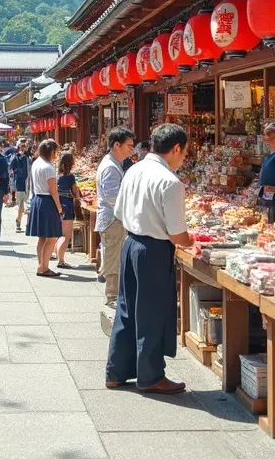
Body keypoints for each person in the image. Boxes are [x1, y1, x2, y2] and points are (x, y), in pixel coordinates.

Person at [106, 123, 192, 394]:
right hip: (153, 250)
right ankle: (150, 375)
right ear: (176, 148)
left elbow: (118, 211)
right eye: (185, 152)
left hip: (130, 243)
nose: (184, 158)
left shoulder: (134, 169)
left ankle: (116, 371)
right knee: (152, 313)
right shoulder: (170, 182)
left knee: (126, 307)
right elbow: (178, 234)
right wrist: (193, 243)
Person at [97, 127, 135, 307]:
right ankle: (112, 295)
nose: (131, 149)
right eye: (129, 145)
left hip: (113, 219)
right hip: (113, 220)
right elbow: (112, 197)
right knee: (113, 257)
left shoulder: (113, 163)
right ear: (116, 145)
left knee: (112, 255)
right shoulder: (111, 167)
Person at [27, 139, 64, 277]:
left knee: (42, 237)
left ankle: (41, 264)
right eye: (55, 152)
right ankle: (43, 267)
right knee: (51, 237)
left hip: (38, 199)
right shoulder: (48, 167)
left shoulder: (36, 163)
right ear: (51, 151)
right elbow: (54, 190)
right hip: (48, 201)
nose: (56, 155)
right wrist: (59, 207)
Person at [54, 151, 81, 269]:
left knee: (59, 234)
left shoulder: (57, 176)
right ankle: (61, 259)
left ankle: (58, 256)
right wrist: (79, 198)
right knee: (66, 235)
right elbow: (75, 191)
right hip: (67, 206)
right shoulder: (70, 177)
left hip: (58, 205)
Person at [11, 140, 32, 233]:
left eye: (25, 147)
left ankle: (24, 223)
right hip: (20, 183)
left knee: (27, 205)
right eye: (21, 147)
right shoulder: (16, 157)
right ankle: (18, 221)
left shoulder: (29, 158)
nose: (23, 149)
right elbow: (11, 167)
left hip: (29, 184)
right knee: (21, 205)